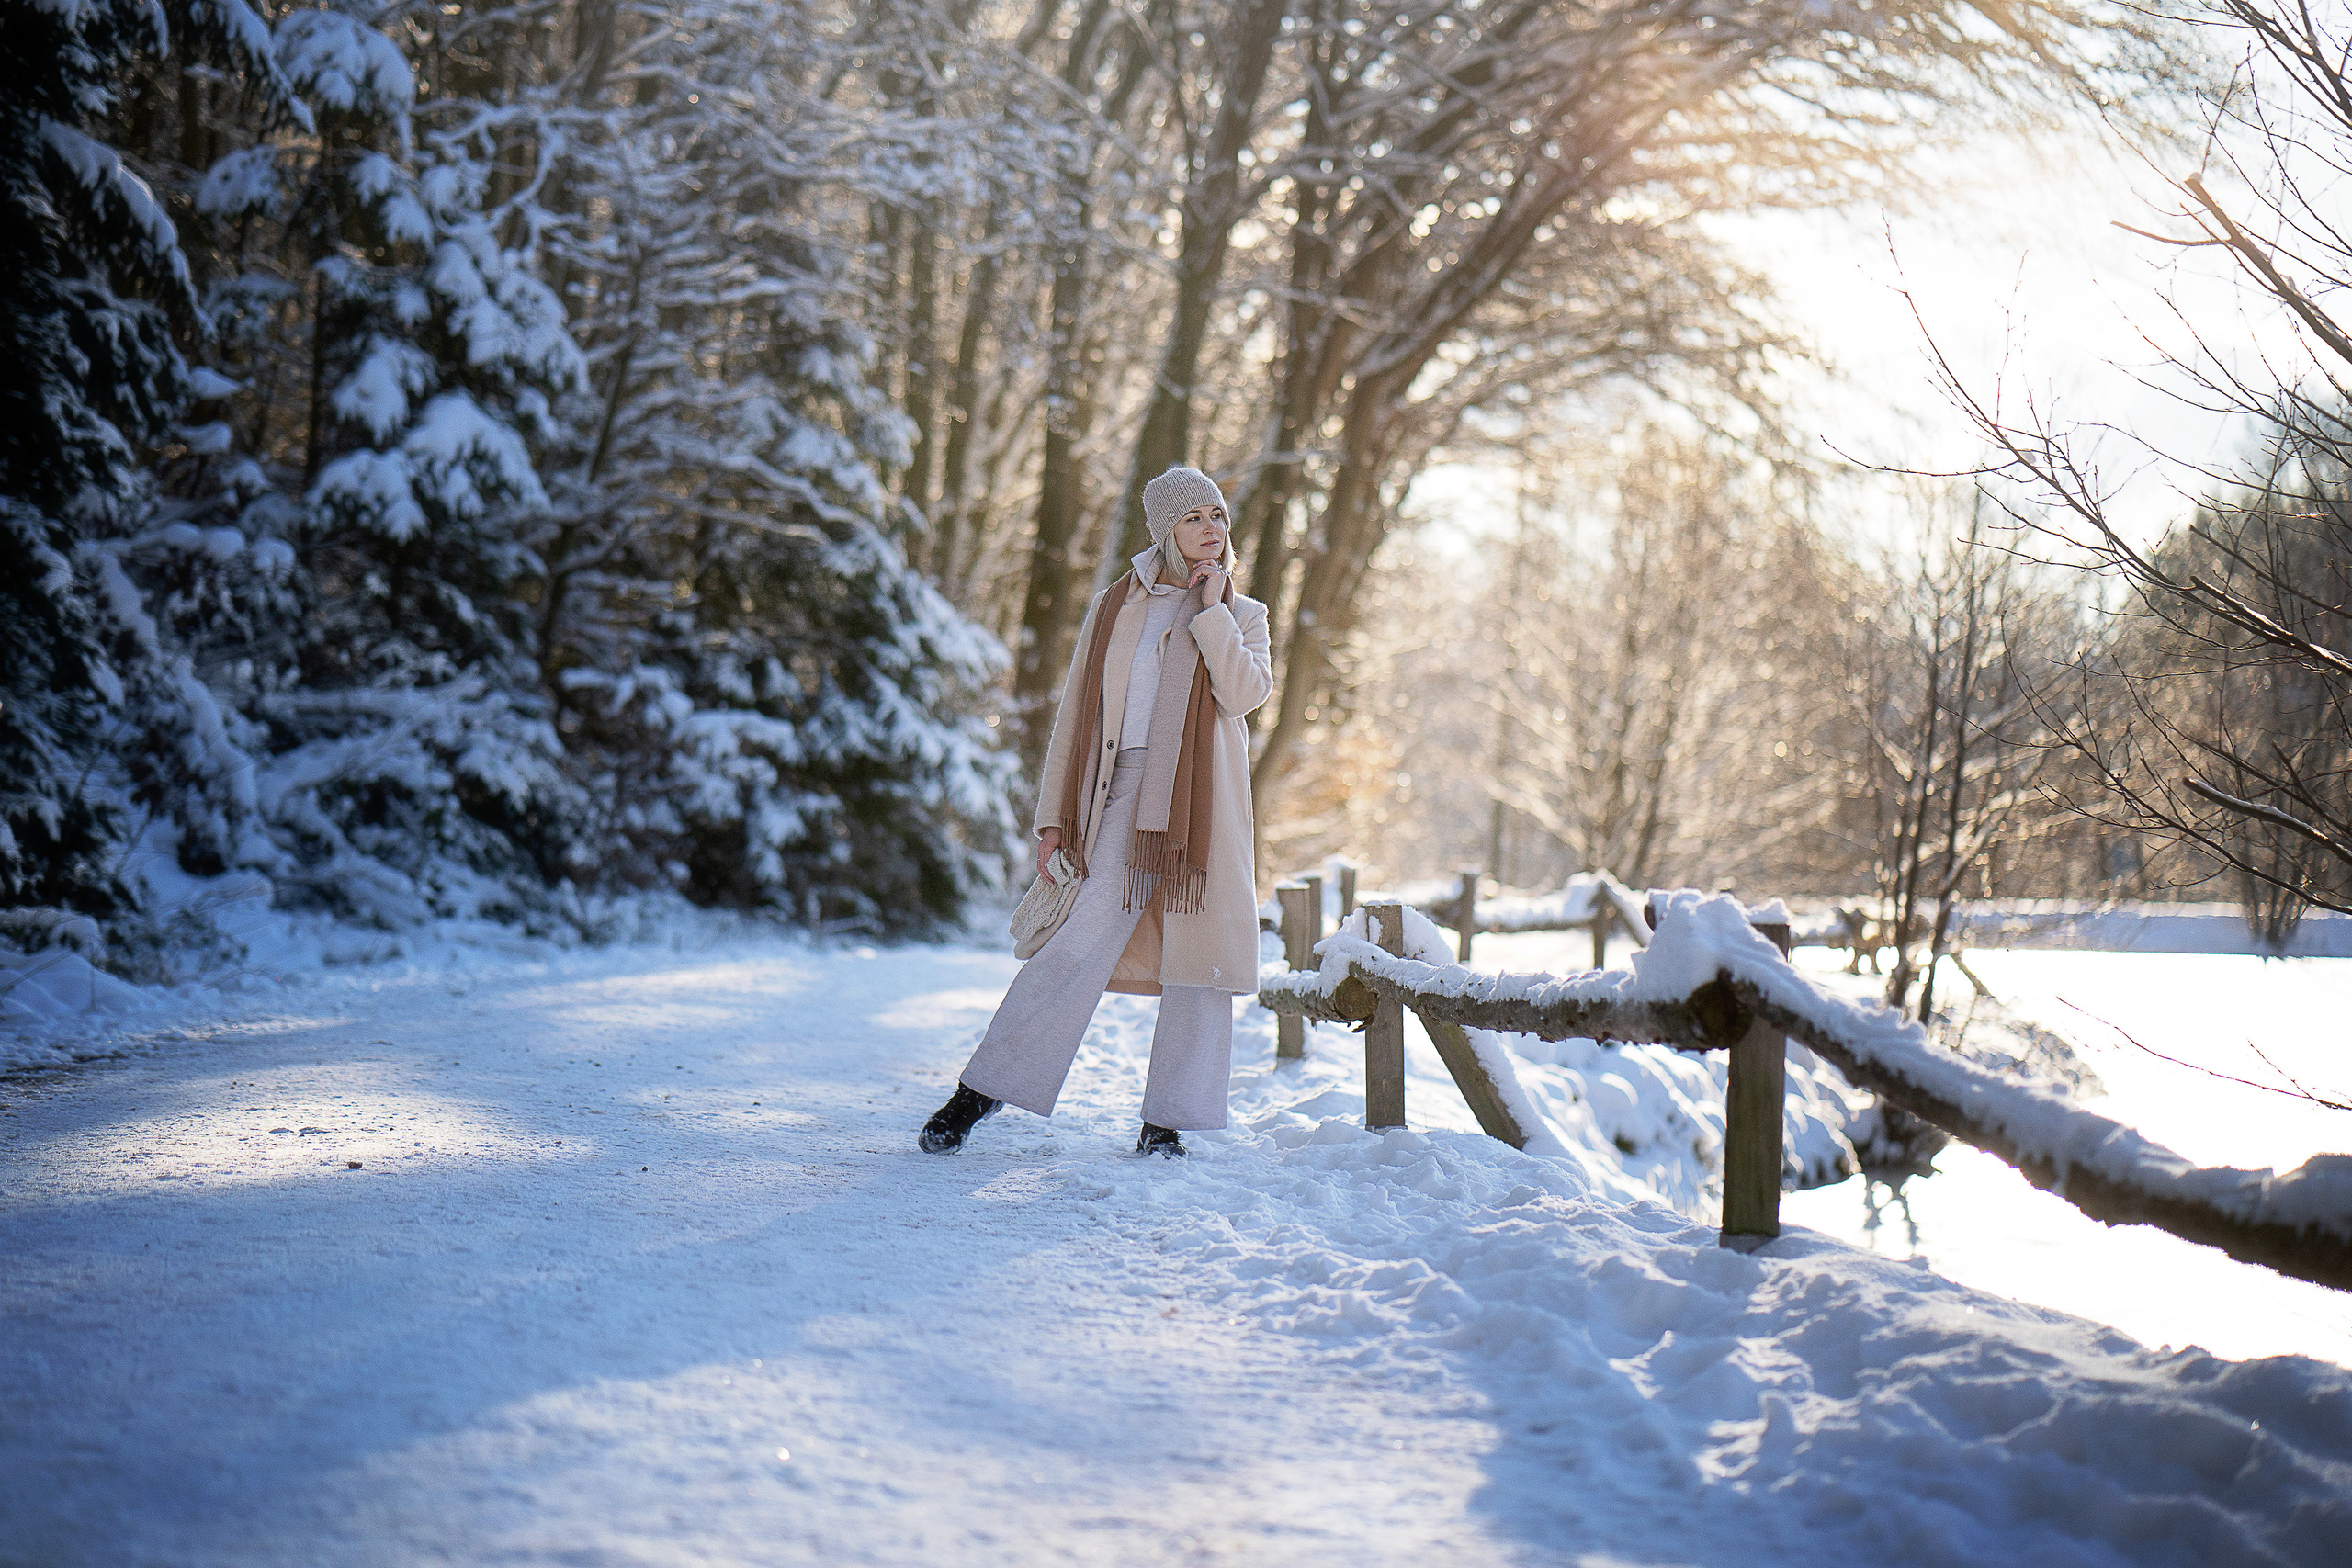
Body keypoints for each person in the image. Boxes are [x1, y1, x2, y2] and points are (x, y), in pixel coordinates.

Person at [919, 467, 1274, 1157]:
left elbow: (1245, 693)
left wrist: (1211, 611)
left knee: (1197, 964)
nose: (1212, 529)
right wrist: (1054, 818)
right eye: (1196, 516)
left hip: (1206, 806)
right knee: (1074, 942)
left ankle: (1168, 1120)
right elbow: (1075, 713)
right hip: (1121, 792)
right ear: (1165, 527)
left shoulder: (1243, 611)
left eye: (1220, 516)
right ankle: (982, 1088)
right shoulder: (1118, 607)